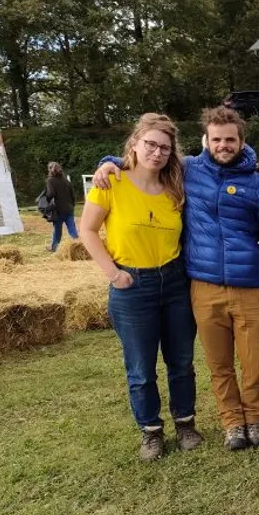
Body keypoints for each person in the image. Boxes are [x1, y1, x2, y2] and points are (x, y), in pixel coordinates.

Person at [91, 107, 259, 452]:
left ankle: (255, 419)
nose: (223, 145)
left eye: (230, 139)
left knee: (253, 364)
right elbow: (144, 159)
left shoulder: (255, 180)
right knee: (218, 364)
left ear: (241, 141)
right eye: (216, 139)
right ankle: (232, 423)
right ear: (206, 140)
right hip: (202, 284)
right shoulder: (188, 170)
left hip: (248, 283)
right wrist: (108, 160)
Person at [79, 114, 203, 461]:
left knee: (181, 360)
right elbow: (87, 230)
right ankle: (151, 431)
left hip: (176, 280)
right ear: (134, 143)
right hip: (133, 284)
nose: (157, 152)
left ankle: (186, 424)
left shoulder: (177, 185)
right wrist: (113, 274)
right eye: (150, 144)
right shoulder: (111, 183)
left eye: (164, 147)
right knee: (140, 366)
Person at [45, 161, 77, 251]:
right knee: (72, 229)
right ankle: (78, 245)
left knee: (57, 230)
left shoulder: (50, 180)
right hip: (69, 208)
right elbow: (73, 195)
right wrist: (72, 205)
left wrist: (46, 199)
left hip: (58, 209)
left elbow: (51, 193)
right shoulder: (66, 180)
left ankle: (54, 247)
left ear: (49, 170)